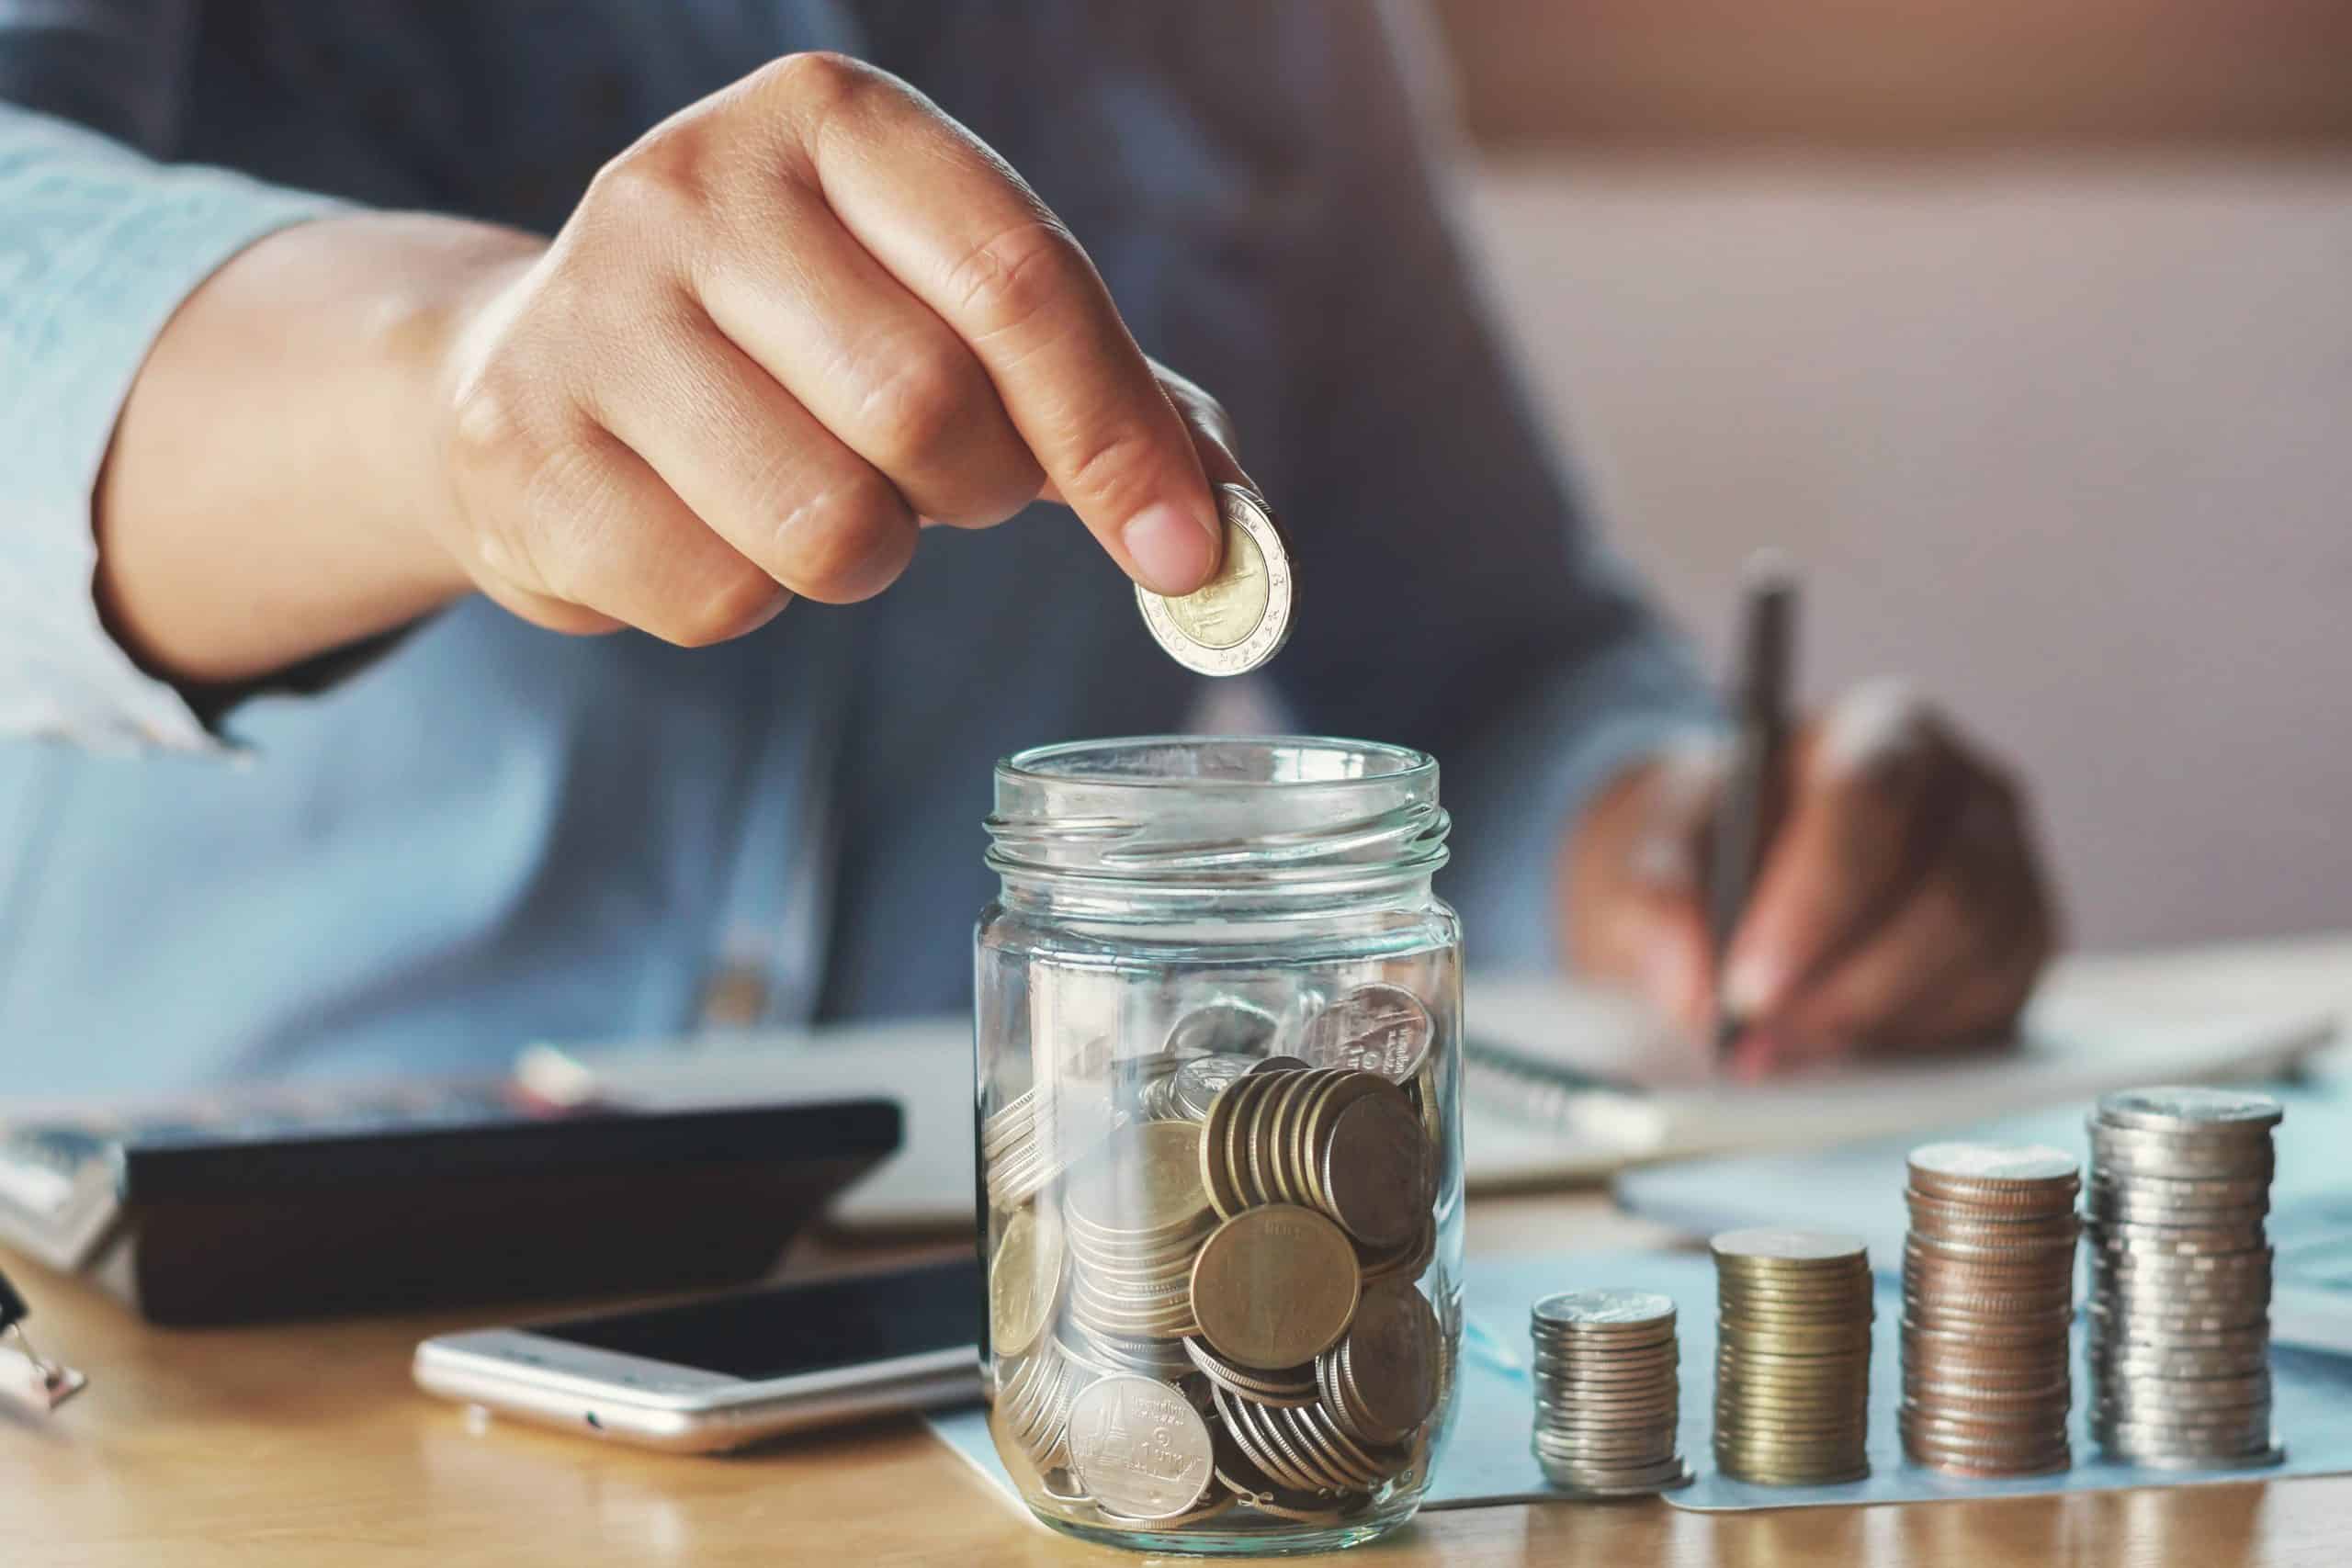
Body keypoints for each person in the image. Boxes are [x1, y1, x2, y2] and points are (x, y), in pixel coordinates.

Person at [0, 2, 2053, 1095]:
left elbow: (1480, 676)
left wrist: (1664, 840)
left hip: (990, 1343)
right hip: (229, 1341)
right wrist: (455, 386)